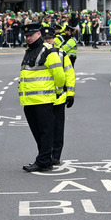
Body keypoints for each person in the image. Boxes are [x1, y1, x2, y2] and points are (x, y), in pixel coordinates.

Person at [18, 23, 65, 172]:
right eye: (26, 36)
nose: (28, 38)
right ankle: (44, 157)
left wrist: (58, 92)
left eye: (31, 35)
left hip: (43, 100)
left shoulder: (48, 51)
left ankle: (44, 160)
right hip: (29, 101)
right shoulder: (29, 51)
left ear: (39, 34)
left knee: (46, 131)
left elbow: (59, 74)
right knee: (38, 132)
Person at [42, 25, 75, 167]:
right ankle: (45, 154)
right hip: (43, 98)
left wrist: (71, 93)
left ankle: (55, 155)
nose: (48, 41)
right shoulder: (38, 53)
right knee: (45, 129)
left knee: (58, 128)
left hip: (59, 97)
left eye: (50, 38)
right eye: (46, 39)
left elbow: (69, 73)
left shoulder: (61, 53)